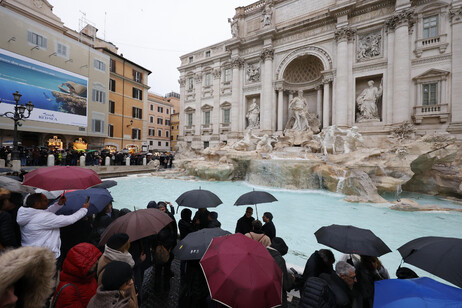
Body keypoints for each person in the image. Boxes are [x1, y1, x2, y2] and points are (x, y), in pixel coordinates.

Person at [16, 193, 89, 259]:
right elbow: (70, 220)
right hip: (45, 258)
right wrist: (84, 209)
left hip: (30, 254)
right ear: (37, 204)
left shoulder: (27, 215)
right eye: (45, 200)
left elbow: (43, 214)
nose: (48, 202)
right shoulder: (43, 218)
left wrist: (58, 204)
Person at [51, 243, 102, 308]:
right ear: (82, 267)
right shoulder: (68, 291)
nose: (97, 262)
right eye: (92, 261)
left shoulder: (89, 278)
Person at [97, 233, 138, 307]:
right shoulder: (108, 267)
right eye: (127, 245)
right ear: (122, 248)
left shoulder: (115, 256)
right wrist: (130, 297)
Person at [267, 237, 294, 308]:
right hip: (274, 297)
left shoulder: (261, 252)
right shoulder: (279, 260)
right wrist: (292, 278)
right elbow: (285, 284)